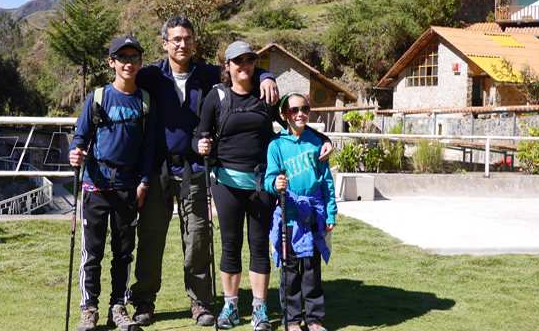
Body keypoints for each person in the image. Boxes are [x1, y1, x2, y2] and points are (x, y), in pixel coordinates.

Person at [128, 16, 280, 327]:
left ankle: (200, 302)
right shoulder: (152, 76)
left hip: (194, 170)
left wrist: (266, 75)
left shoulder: (208, 75)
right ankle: (144, 302)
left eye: (187, 38)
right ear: (165, 44)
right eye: (176, 39)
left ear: (194, 42)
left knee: (198, 239)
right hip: (158, 168)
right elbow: (123, 79)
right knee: (151, 237)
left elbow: (242, 69)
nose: (182, 44)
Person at [69, 36, 157, 331]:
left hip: (128, 187)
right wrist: (76, 151)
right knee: (92, 252)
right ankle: (88, 309)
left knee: (123, 253)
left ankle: (117, 307)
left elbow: (149, 148)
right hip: (95, 185)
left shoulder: (145, 101)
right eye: (122, 57)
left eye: (134, 57)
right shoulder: (98, 98)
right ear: (112, 62)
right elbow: (80, 136)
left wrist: (143, 183)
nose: (128, 63)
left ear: (140, 62)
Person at [264, 93, 338, 331]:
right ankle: (293, 320)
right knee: (289, 269)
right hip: (289, 214)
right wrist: (275, 184)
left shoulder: (317, 143)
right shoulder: (276, 145)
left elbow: (326, 182)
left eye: (304, 109)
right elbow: (268, 179)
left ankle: (314, 319)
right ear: (284, 115)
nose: (300, 114)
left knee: (311, 268)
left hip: (314, 215)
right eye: (294, 110)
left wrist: (330, 213)